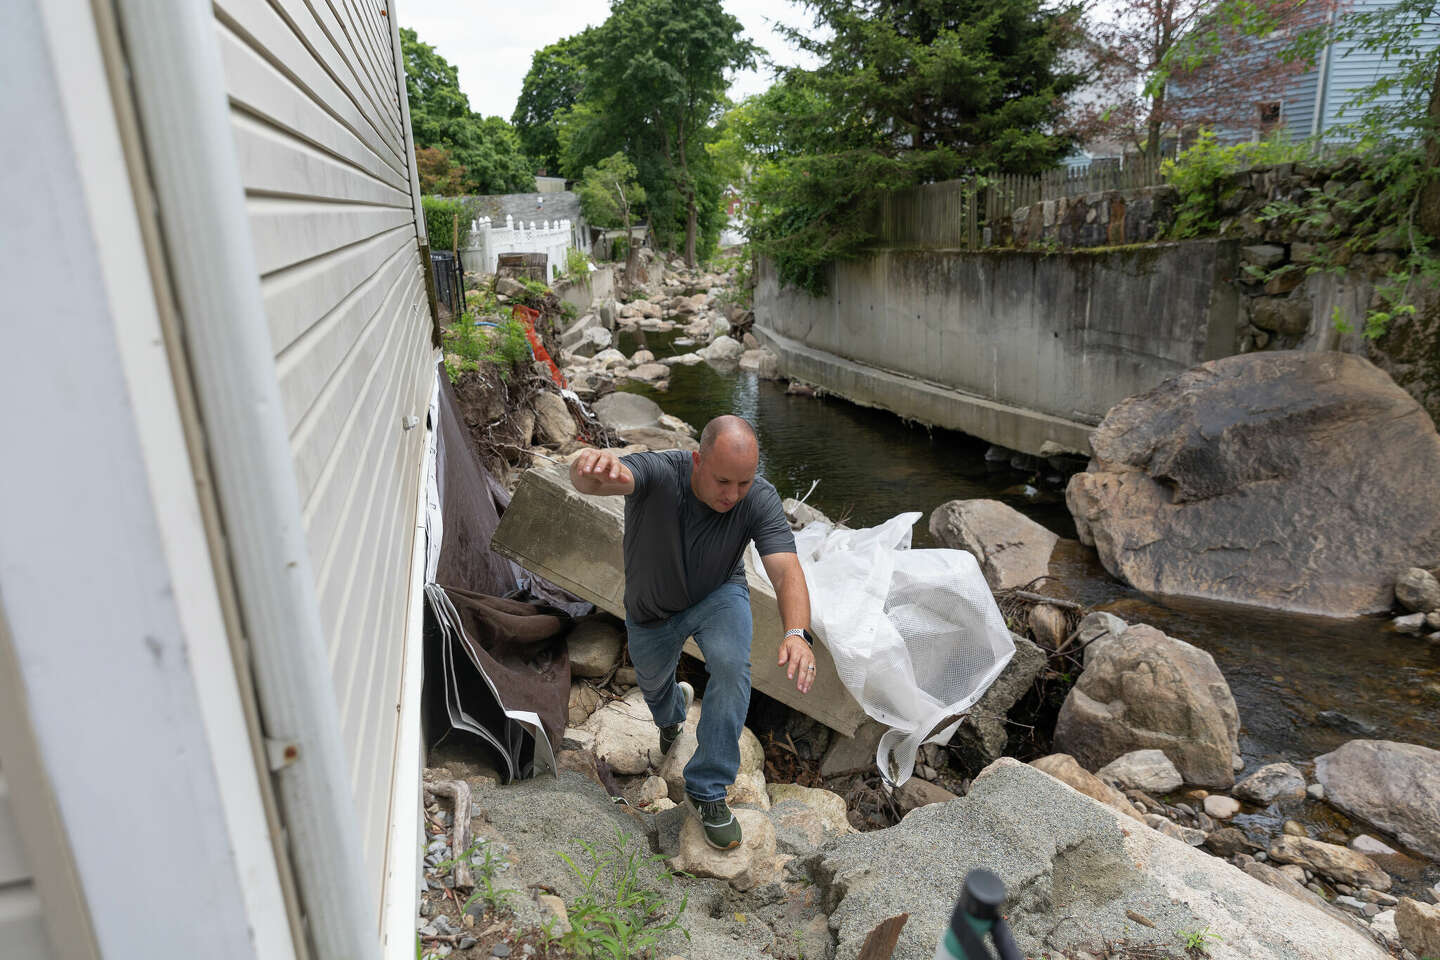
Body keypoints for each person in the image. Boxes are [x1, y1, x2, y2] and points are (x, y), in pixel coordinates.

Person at [569, 415, 816, 850]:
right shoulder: (662, 471)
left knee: (732, 666)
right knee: (656, 691)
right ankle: (672, 712)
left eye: (743, 483)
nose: (732, 495)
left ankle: (707, 790)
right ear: (698, 460)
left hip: (718, 595)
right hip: (651, 612)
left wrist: (797, 632)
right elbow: (601, 481)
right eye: (723, 482)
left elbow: (786, 571)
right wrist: (585, 470)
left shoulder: (757, 498)